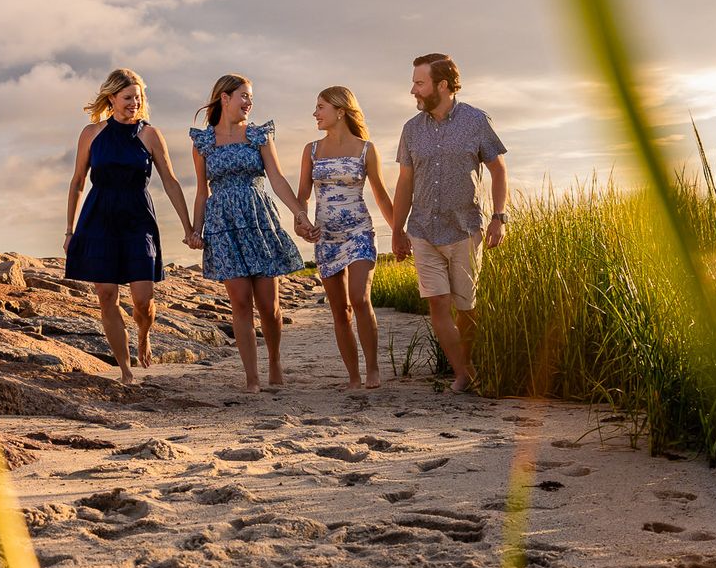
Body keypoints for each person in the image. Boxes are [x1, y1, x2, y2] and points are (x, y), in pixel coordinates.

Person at [64, 68, 198, 384]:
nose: (134, 103)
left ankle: (143, 333)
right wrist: (69, 230)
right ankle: (125, 369)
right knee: (106, 295)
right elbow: (78, 181)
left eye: (138, 98)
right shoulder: (91, 133)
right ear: (111, 98)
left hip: (139, 220)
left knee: (143, 300)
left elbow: (170, 181)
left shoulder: (149, 134)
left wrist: (188, 227)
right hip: (99, 219)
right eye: (127, 98)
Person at [388, 52, 508, 393]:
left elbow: (498, 171)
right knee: (437, 303)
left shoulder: (475, 121)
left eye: (419, 83)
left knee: (466, 309)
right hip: (424, 229)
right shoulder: (410, 130)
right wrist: (397, 229)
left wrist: (499, 217)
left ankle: (466, 369)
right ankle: (463, 374)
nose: (413, 90)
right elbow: (404, 182)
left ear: (442, 85)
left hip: (465, 229)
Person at [190, 74, 315, 392]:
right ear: (225, 99)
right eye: (243, 96)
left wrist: (299, 213)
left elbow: (276, 178)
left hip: (259, 220)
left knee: (269, 305)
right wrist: (195, 228)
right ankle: (252, 377)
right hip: (223, 225)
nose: (249, 102)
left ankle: (274, 360)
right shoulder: (203, 142)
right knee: (241, 302)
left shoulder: (259, 135)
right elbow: (202, 192)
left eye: (251, 97)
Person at [296, 86, 390, 389]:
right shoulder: (311, 149)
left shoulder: (366, 149)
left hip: (359, 231)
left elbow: (381, 194)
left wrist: (399, 231)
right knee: (340, 310)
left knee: (360, 298)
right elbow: (302, 197)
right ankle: (353, 376)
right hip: (326, 237)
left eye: (320, 107)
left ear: (340, 111)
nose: (315, 113)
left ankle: (372, 368)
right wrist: (301, 222)